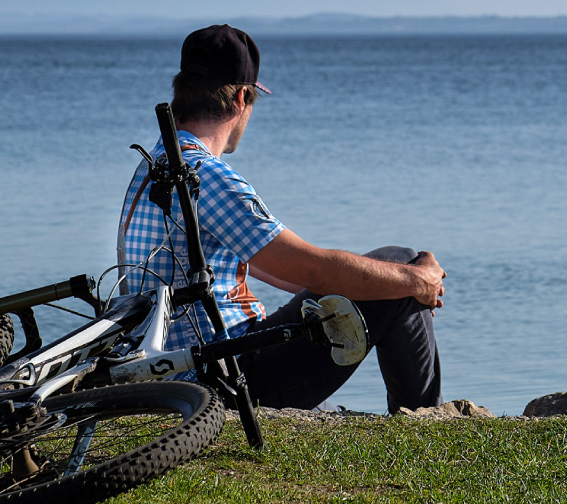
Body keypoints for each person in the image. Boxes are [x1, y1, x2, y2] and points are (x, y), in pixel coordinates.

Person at [116, 24, 447, 413]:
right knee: (400, 260)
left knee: (389, 276)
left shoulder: (155, 168)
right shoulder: (207, 177)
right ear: (242, 98)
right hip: (228, 376)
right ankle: (428, 419)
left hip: (177, 371)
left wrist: (370, 287)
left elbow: (280, 270)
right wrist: (414, 279)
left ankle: (422, 411)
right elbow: (311, 270)